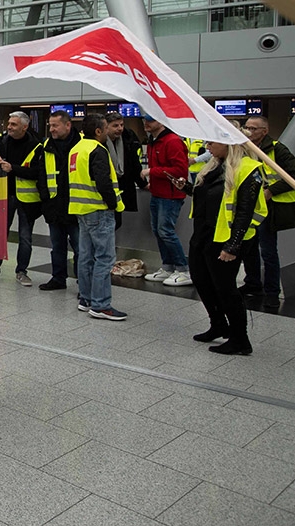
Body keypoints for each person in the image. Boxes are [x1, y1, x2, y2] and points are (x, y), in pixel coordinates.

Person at [175, 138, 266, 355]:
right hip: (204, 234)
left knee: (225, 288)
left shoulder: (248, 169)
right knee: (201, 280)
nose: (207, 147)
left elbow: (244, 211)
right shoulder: (214, 166)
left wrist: (232, 246)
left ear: (228, 143)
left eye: (212, 143)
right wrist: (187, 187)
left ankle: (240, 339)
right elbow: (209, 197)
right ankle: (218, 324)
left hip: (227, 238)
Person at [239, 115, 295, 309]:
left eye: (254, 129)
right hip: (249, 207)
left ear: (264, 131)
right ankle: (252, 283)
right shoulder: (244, 149)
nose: (249, 131)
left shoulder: (277, 149)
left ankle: (272, 292)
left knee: (268, 251)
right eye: (247, 127)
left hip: (270, 209)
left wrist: (271, 190)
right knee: (248, 248)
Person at [69, 113, 127, 321]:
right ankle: (101, 305)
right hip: (99, 210)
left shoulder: (76, 149)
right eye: (106, 129)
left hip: (81, 209)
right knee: (104, 258)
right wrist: (113, 205)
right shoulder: (97, 150)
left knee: (85, 256)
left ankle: (85, 299)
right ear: (98, 131)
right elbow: (103, 181)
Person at [0, 111, 41, 286]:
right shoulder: (2, 142)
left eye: (14, 124)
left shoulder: (36, 146)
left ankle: (22, 271)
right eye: (9, 124)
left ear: (24, 126)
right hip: (4, 196)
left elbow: (38, 172)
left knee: (25, 237)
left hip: (27, 199)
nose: (9, 127)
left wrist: (12, 168)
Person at [140, 115, 192, 286]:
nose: (146, 123)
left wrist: (152, 172)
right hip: (158, 193)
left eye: (151, 120)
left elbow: (180, 170)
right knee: (159, 231)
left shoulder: (172, 141)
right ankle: (168, 266)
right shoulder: (154, 141)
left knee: (166, 231)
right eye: (145, 120)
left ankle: (183, 269)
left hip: (170, 196)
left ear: (161, 122)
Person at [38, 110, 79, 291]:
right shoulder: (46, 145)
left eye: (55, 125)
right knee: (57, 247)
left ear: (68, 125)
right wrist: (46, 200)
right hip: (54, 207)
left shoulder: (82, 144)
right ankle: (58, 278)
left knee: (81, 249)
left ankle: (82, 282)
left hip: (76, 206)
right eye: (50, 125)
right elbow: (41, 175)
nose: (52, 129)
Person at [104, 112, 146, 229]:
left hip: (121, 187)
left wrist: (143, 183)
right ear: (106, 126)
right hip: (104, 189)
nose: (120, 129)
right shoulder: (99, 142)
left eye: (121, 125)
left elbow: (134, 164)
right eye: (115, 126)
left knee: (116, 223)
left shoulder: (128, 139)